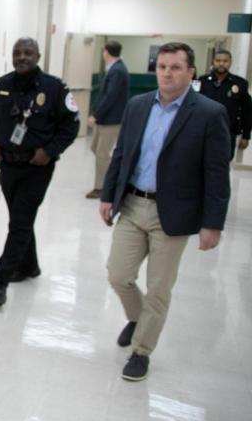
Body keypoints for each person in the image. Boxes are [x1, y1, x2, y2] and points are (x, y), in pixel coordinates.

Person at [99, 42, 231, 382]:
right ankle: (137, 317)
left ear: (191, 73)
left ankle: (141, 351)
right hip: (132, 203)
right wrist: (108, 195)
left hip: (173, 214)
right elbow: (122, 154)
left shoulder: (209, 113)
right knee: (118, 274)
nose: (167, 73)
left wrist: (212, 224)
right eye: (162, 67)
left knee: (158, 288)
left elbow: (217, 175)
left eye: (175, 67)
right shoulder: (138, 105)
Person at [0, 37, 79, 306]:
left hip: (37, 168)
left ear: (38, 56)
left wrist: (49, 150)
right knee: (20, 218)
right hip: (8, 165)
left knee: (20, 221)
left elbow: (71, 126)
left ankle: (0, 281)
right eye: (17, 53)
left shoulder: (54, 88)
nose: (22, 57)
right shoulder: (2, 85)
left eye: (27, 53)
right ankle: (30, 266)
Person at [86, 40, 129, 198]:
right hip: (105, 119)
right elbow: (104, 94)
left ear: (106, 52)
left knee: (102, 154)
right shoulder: (114, 69)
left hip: (111, 121)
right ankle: (111, 180)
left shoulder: (117, 70)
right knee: (96, 149)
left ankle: (102, 188)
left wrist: (96, 115)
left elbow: (110, 97)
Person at [195, 48, 251, 160]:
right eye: (218, 60)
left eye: (225, 61)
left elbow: (247, 110)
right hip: (203, 131)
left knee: (222, 166)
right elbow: (193, 106)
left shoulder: (240, 83)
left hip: (228, 132)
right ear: (213, 62)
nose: (221, 63)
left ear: (230, 62)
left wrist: (246, 136)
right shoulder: (202, 81)